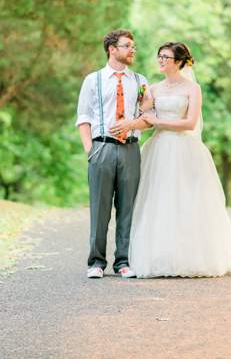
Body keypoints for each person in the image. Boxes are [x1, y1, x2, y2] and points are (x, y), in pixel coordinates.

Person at [129, 41, 231, 278]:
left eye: (166, 57)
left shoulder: (193, 89)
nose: (160, 60)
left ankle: (192, 257)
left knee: (187, 200)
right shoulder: (152, 88)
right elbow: (145, 120)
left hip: (185, 148)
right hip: (159, 148)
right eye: (159, 56)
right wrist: (142, 115)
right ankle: (160, 257)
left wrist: (157, 121)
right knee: (159, 200)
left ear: (180, 62)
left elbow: (190, 123)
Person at [76, 29, 153, 279]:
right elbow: (84, 118)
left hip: (130, 149)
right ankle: (96, 262)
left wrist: (132, 124)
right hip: (102, 148)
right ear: (112, 49)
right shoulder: (93, 80)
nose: (133, 50)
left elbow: (149, 120)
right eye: (128, 46)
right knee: (99, 209)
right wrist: (91, 151)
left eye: (134, 46)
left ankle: (123, 262)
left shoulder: (140, 81)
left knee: (127, 207)